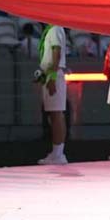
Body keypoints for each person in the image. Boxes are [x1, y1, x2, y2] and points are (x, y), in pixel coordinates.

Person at [37, 24, 69, 165]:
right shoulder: (51, 30)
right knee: (53, 115)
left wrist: (53, 76)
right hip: (48, 73)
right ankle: (57, 152)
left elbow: (57, 52)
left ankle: (59, 153)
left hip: (53, 74)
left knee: (57, 115)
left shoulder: (55, 29)